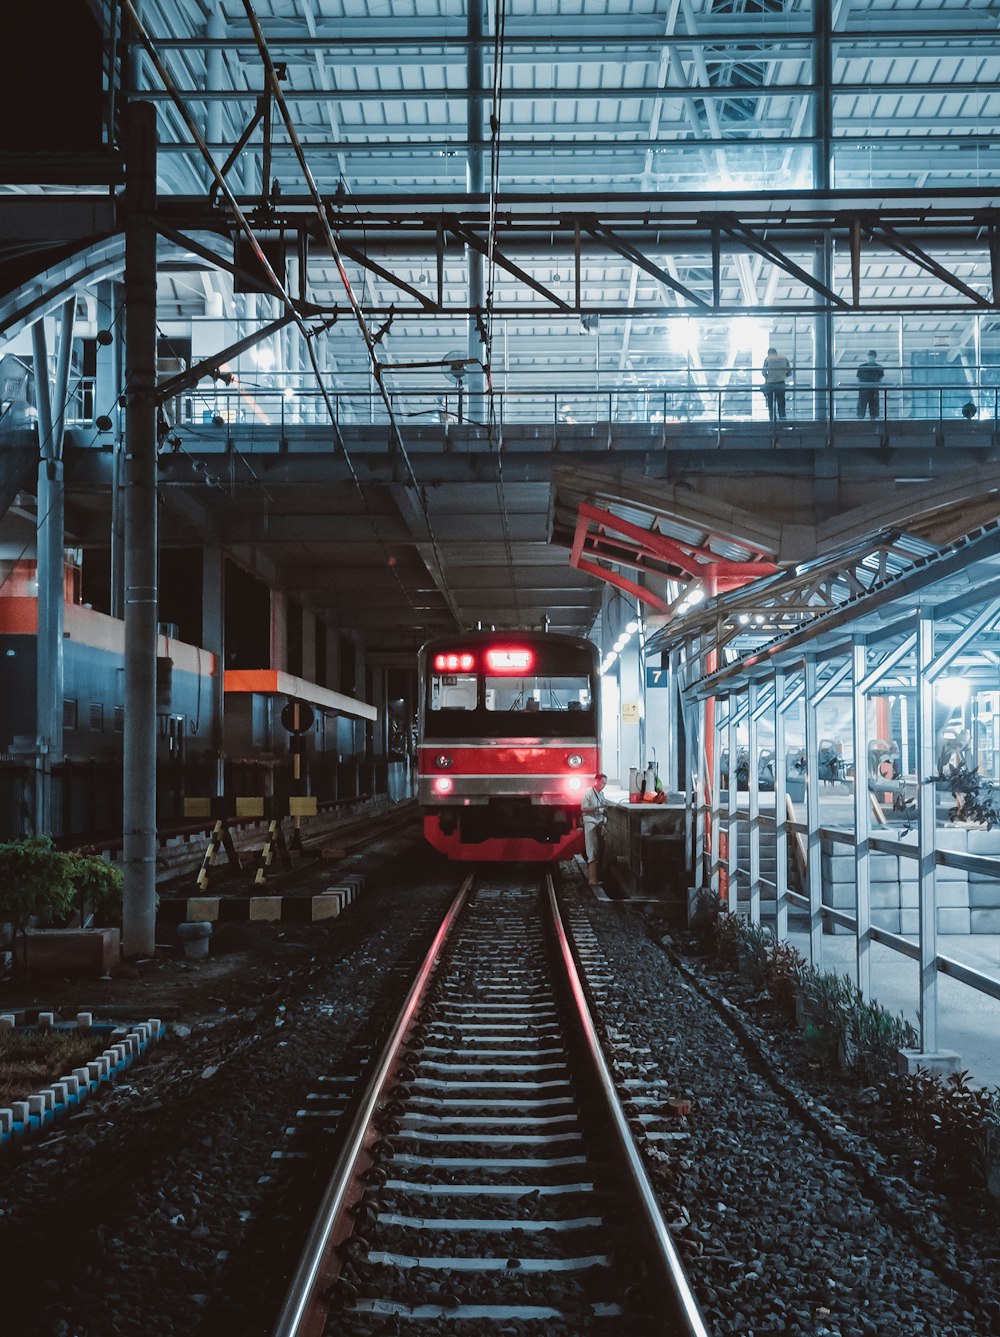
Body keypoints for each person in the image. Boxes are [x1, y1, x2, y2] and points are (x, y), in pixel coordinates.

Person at [581, 772, 608, 886]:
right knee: (592, 849)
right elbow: (584, 808)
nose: (603, 785)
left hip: (599, 822)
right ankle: (592, 879)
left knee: (597, 849)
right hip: (591, 821)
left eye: (605, 783)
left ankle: (595, 878)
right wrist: (598, 807)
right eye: (602, 782)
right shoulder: (588, 792)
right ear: (596, 781)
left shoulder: (601, 794)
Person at [761, 347, 791, 421]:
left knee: (770, 402)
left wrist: (768, 378)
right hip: (781, 383)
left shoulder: (767, 359)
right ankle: (782, 418)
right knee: (781, 402)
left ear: (769, 353)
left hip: (770, 383)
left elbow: (764, 372)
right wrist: (783, 376)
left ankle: (772, 418)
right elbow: (789, 372)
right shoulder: (784, 358)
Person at [856, 350, 884, 419]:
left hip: (869, 390)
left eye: (871, 356)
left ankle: (864, 423)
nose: (870, 358)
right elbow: (880, 379)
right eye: (870, 356)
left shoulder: (862, 367)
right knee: (863, 410)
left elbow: (859, 379)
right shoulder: (878, 367)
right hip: (868, 390)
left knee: (870, 411)